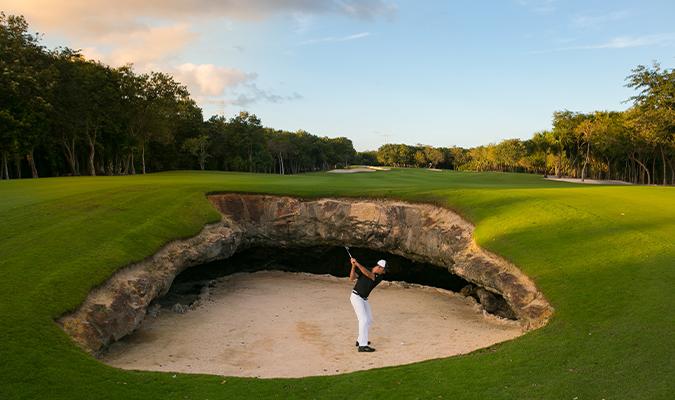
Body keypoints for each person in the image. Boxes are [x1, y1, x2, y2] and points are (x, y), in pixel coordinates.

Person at [349, 257, 386, 352]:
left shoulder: (379, 277)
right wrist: (353, 266)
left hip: (364, 299)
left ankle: (359, 340)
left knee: (369, 320)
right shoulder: (365, 269)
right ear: (380, 267)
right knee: (363, 320)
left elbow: (369, 275)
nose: (384, 272)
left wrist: (357, 264)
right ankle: (362, 345)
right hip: (356, 297)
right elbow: (351, 278)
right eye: (384, 270)